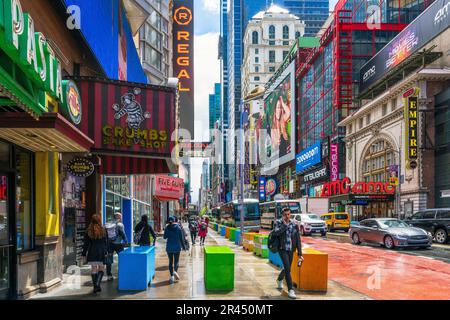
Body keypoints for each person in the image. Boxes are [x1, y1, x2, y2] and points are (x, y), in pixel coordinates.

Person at [272, 207, 303, 299]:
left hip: (291, 250)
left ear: (290, 214)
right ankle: (290, 290)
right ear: (282, 215)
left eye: (288, 214)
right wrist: (284, 226)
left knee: (287, 268)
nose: (287, 216)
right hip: (282, 249)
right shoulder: (278, 223)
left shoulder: (294, 224)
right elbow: (275, 233)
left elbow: (298, 239)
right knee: (288, 269)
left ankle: (279, 279)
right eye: (285, 215)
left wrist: (300, 253)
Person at [82, 214, 109, 294]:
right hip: (101, 251)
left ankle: (95, 287)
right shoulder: (104, 229)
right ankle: (97, 284)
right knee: (101, 268)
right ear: (99, 220)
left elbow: (86, 243)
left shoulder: (89, 230)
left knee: (94, 269)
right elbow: (106, 242)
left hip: (92, 251)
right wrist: (107, 251)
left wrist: (83, 253)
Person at [105, 212, 129, 281]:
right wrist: (126, 241)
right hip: (118, 244)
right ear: (118, 217)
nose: (121, 218)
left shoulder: (108, 224)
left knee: (109, 260)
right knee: (122, 258)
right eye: (120, 216)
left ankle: (109, 275)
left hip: (109, 244)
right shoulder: (120, 224)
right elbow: (123, 234)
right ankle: (123, 273)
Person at [163, 216, 187, 283]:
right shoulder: (178, 228)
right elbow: (181, 238)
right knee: (176, 261)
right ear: (174, 221)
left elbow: (164, 237)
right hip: (177, 247)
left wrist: (166, 230)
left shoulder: (167, 228)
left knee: (170, 261)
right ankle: (175, 272)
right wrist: (184, 246)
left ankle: (172, 276)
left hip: (169, 247)